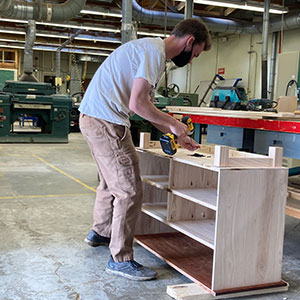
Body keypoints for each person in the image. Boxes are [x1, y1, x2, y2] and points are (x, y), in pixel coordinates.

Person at [79, 18, 211, 281]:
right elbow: (137, 104)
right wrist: (174, 123)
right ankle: (120, 259)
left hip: (95, 118)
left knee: (110, 182)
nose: (192, 60)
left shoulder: (149, 50)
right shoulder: (154, 54)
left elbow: (147, 107)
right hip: (107, 122)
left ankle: (101, 232)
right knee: (129, 190)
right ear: (189, 41)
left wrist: (175, 132)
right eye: (195, 54)